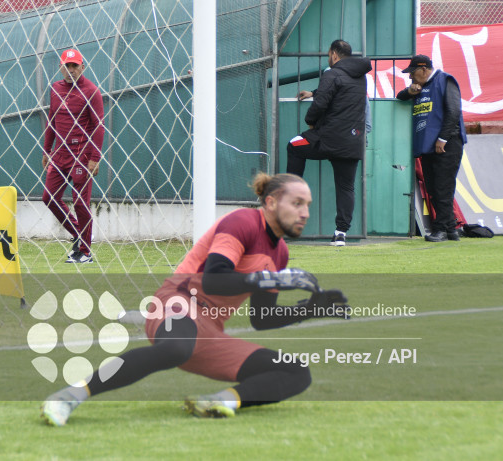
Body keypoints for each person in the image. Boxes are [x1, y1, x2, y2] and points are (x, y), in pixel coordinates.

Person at [41, 173, 349, 426]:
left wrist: (311, 308)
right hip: (176, 302)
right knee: (176, 346)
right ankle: (70, 395)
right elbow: (215, 277)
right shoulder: (242, 222)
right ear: (270, 202)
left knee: (295, 370)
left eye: (307, 205)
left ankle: (219, 402)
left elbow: (262, 318)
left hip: (209, 331)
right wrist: (273, 279)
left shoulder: (279, 252)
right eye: (297, 203)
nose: (305, 212)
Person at [287, 39, 372, 246]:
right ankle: (341, 233)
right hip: (353, 141)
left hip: (328, 139)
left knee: (293, 145)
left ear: (334, 54)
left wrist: (311, 122)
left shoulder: (331, 73)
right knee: (346, 187)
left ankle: (291, 197)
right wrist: (314, 92)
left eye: (328, 55)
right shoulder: (361, 78)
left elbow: (322, 102)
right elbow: (339, 93)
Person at [42, 48, 105, 263]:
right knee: (49, 197)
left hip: (81, 154)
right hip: (60, 153)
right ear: (61, 68)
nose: (70, 70)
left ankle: (85, 252)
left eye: (74, 66)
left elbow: (99, 125)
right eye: (66, 66)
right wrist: (46, 150)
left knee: (80, 201)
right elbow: (51, 121)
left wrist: (95, 157)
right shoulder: (55, 89)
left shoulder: (91, 91)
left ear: (82, 67)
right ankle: (79, 233)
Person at [396, 54, 467, 242]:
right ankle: (451, 229)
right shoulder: (419, 87)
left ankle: (440, 229)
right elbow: (400, 96)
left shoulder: (445, 80)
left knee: (443, 187)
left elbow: (453, 111)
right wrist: (410, 91)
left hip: (447, 144)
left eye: (412, 73)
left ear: (423, 70)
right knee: (434, 188)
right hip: (428, 146)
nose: (410, 77)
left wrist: (443, 138)